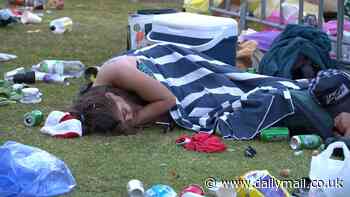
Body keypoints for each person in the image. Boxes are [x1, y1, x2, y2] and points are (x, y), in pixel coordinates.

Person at [70, 55, 176, 135]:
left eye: (125, 112)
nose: (130, 117)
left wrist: (135, 121)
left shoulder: (118, 72)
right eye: (126, 120)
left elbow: (169, 100)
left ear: (111, 96)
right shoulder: (97, 111)